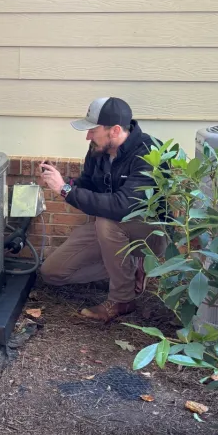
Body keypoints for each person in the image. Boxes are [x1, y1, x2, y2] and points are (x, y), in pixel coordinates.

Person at [39, 97, 166, 323]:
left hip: (150, 233)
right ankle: (130, 268)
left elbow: (122, 206)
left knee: (106, 222)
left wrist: (66, 190)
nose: (88, 136)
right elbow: (87, 186)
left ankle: (122, 299)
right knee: (52, 272)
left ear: (115, 130)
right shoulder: (97, 151)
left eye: (93, 130)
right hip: (112, 231)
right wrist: (62, 183)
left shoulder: (149, 153)